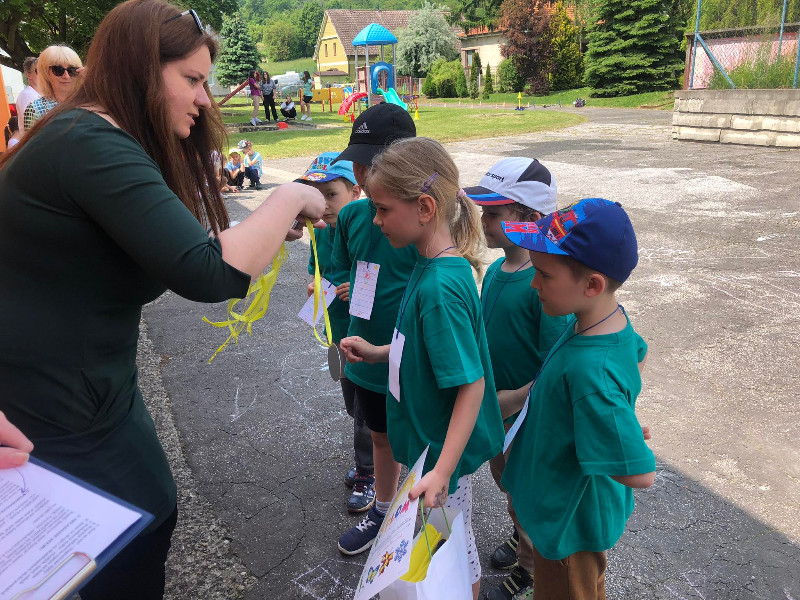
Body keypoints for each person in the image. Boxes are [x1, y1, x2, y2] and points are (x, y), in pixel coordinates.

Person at [0, 2, 324, 598]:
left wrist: (262, 230)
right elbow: (207, 272)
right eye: (192, 79)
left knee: (146, 517)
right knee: (107, 554)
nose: (204, 99)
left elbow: (172, 248)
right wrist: (291, 197)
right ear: (142, 71)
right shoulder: (90, 143)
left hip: (95, 395)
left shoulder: (91, 136)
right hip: (50, 409)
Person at [339, 137, 504, 600]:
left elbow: (471, 385)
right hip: (433, 449)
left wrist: (442, 471)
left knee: (452, 548)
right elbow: (425, 353)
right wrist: (379, 352)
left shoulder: (439, 289)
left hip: (441, 457)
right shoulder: (429, 265)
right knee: (448, 540)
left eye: (382, 209)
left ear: (425, 208)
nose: (376, 220)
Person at [500, 198, 656, 600]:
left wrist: (616, 431)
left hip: (568, 527)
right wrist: (615, 419)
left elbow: (640, 475)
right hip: (559, 511)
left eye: (543, 275)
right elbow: (636, 352)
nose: (533, 284)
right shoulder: (603, 320)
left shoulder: (591, 371)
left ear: (592, 285)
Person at [462, 157, 569, 600]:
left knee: (526, 495)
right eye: (483, 211)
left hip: (524, 422)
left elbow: (556, 363)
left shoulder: (543, 284)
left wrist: (513, 399)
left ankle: (531, 571)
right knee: (509, 486)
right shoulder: (495, 272)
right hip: (496, 416)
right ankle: (520, 536)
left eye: (493, 213)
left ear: (529, 216)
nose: (482, 222)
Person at [330, 103, 418, 552]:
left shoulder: (422, 219)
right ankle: (384, 512)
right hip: (366, 352)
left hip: (413, 355)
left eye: (372, 163)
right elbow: (340, 266)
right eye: (357, 162)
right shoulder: (351, 216)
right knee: (380, 437)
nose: (361, 174)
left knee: (422, 440)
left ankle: (425, 515)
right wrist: (342, 285)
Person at [296, 152, 373, 511]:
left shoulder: (368, 229)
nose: (323, 204)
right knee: (352, 405)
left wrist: (357, 289)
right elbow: (317, 268)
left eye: (331, 194)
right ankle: (377, 456)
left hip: (365, 339)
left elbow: (379, 278)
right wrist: (316, 285)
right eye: (317, 195)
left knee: (366, 409)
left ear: (356, 191)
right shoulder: (320, 231)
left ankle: (369, 472)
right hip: (336, 333)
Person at [22, 45, 83, 130]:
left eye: (72, 70)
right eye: (58, 70)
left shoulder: (89, 103)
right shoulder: (35, 110)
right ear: (46, 73)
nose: (66, 76)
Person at [16, 57, 41, 133]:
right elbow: (32, 126)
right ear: (28, 75)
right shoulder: (26, 95)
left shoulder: (47, 94)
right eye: (38, 71)